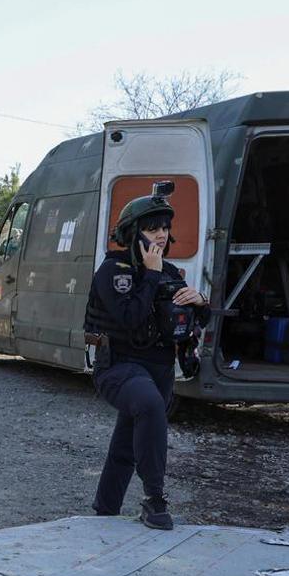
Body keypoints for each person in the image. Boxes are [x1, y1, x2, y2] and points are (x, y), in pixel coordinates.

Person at [84, 188, 209, 530]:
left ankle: (105, 511)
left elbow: (188, 324)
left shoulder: (169, 272)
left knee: (128, 440)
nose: (160, 234)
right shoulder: (113, 271)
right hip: (118, 366)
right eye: (152, 227)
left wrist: (200, 303)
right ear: (132, 232)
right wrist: (151, 276)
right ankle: (155, 500)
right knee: (149, 406)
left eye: (165, 228)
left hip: (159, 369)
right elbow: (130, 319)